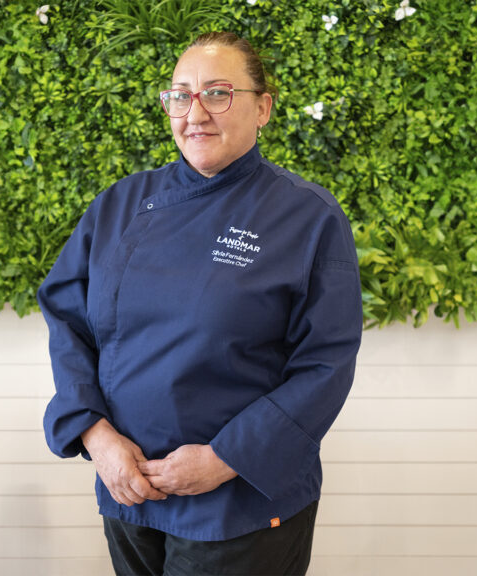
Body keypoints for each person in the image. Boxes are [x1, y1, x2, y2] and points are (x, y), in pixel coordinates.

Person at [38, 31, 363, 576]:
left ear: (263, 108)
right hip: (129, 489)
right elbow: (68, 321)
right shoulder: (119, 205)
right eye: (180, 96)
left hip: (240, 502)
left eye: (217, 93)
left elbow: (325, 364)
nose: (195, 113)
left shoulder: (308, 217)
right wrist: (97, 435)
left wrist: (224, 458)